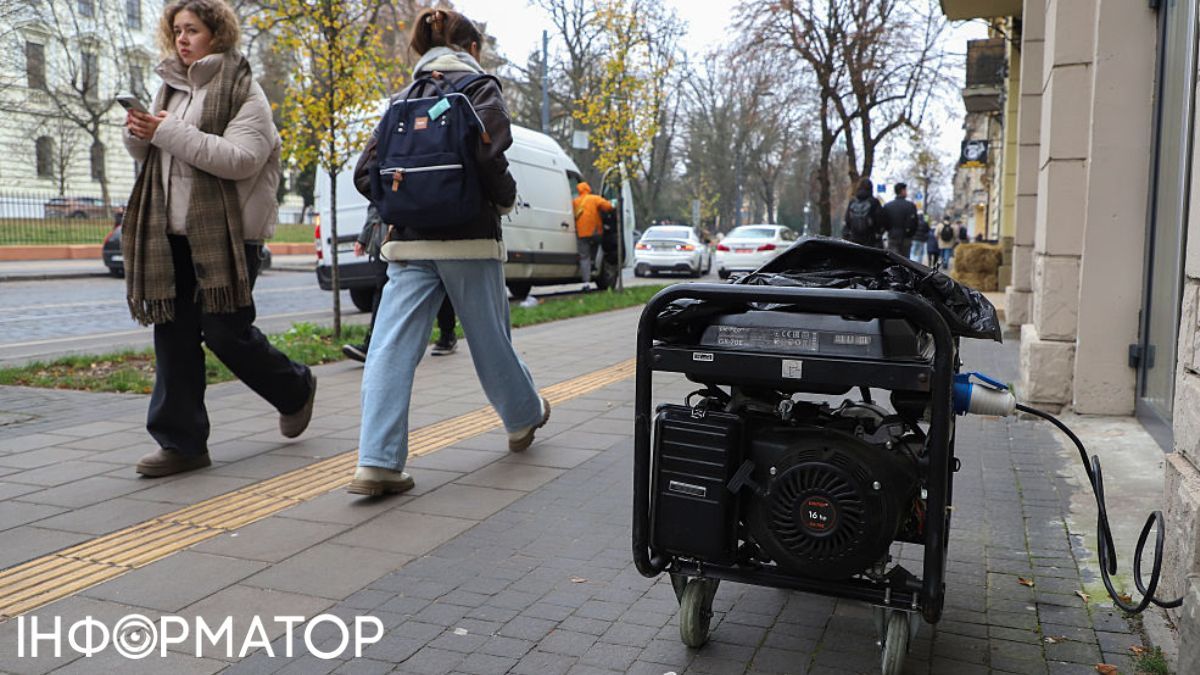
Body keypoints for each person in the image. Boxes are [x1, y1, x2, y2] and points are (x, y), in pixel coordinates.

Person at [348, 7, 549, 497]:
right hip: (470, 237)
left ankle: (377, 461)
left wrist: (407, 202)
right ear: (473, 49)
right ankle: (523, 416)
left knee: (390, 348)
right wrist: (503, 197)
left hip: (409, 242)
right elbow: (488, 155)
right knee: (488, 339)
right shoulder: (480, 88)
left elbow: (363, 173)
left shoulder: (402, 98)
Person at [121, 0, 315, 477]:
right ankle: (181, 443)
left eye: (192, 30)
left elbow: (240, 159)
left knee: (226, 333)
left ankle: (294, 388)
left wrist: (167, 133)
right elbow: (160, 159)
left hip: (230, 237)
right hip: (171, 232)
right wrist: (140, 134)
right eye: (177, 30)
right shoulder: (170, 87)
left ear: (218, 34)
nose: (182, 38)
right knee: (174, 336)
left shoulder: (247, 90)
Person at [342, 206, 457, 362]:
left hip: (416, 233)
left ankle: (447, 333)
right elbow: (376, 202)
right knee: (382, 289)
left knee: (437, 283)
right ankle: (372, 344)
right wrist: (364, 237)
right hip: (387, 238)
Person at [573, 181, 613, 290]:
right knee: (600, 246)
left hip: (581, 233)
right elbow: (608, 206)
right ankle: (595, 263)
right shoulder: (594, 199)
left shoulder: (575, 201)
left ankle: (586, 283)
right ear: (588, 189)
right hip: (595, 232)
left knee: (584, 257)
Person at [841, 177, 884, 247]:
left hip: (854, 239)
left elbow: (847, 220)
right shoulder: (874, 202)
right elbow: (880, 221)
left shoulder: (852, 202)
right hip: (870, 240)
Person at [882, 182, 918, 257]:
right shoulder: (910, 206)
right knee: (905, 261)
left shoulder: (888, 206)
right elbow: (914, 223)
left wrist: (890, 230)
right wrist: (910, 234)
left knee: (893, 259)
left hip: (893, 236)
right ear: (902, 191)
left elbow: (884, 222)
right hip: (906, 238)